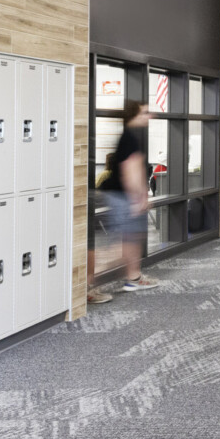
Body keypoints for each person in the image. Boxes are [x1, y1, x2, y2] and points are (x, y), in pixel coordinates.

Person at [94, 100, 159, 295]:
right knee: (128, 240)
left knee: (131, 239)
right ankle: (97, 280)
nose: (150, 116)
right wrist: (138, 199)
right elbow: (130, 172)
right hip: (125, 197)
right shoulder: (129, 138)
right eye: (145, 113)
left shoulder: (130, 136)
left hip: (122, 196)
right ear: (134, 116)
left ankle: (132, 277)